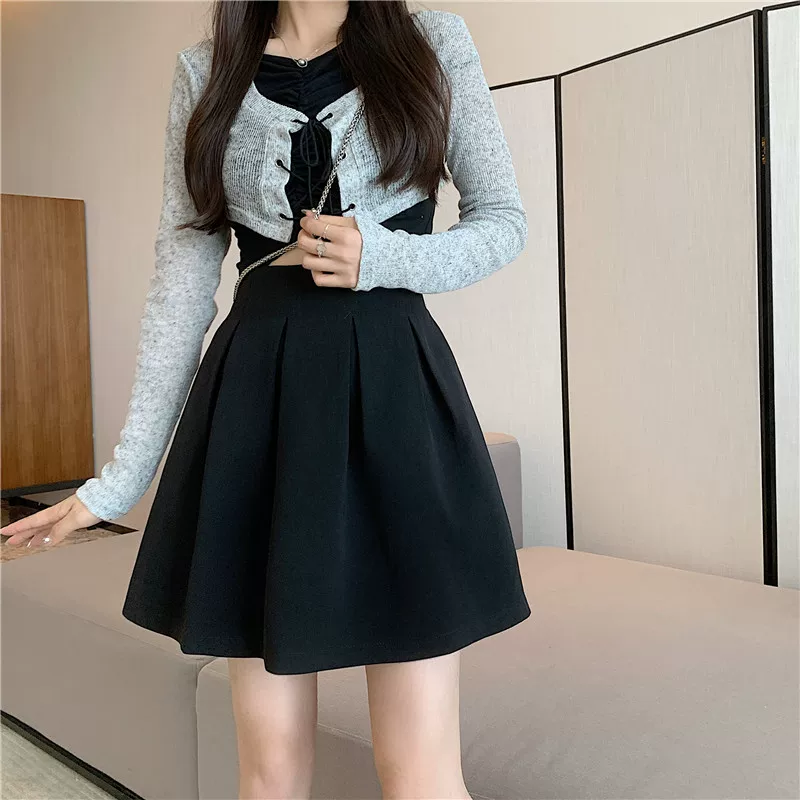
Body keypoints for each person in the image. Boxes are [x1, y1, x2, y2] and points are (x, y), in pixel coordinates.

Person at [2, 1, 531, 797]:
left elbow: (503, 222)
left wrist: (385, 258)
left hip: (394, 390)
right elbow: (182, 283)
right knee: (269, 771)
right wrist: (112, 485)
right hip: (258, 398)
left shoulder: (431, 40)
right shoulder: (206, 70)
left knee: (419, 773)